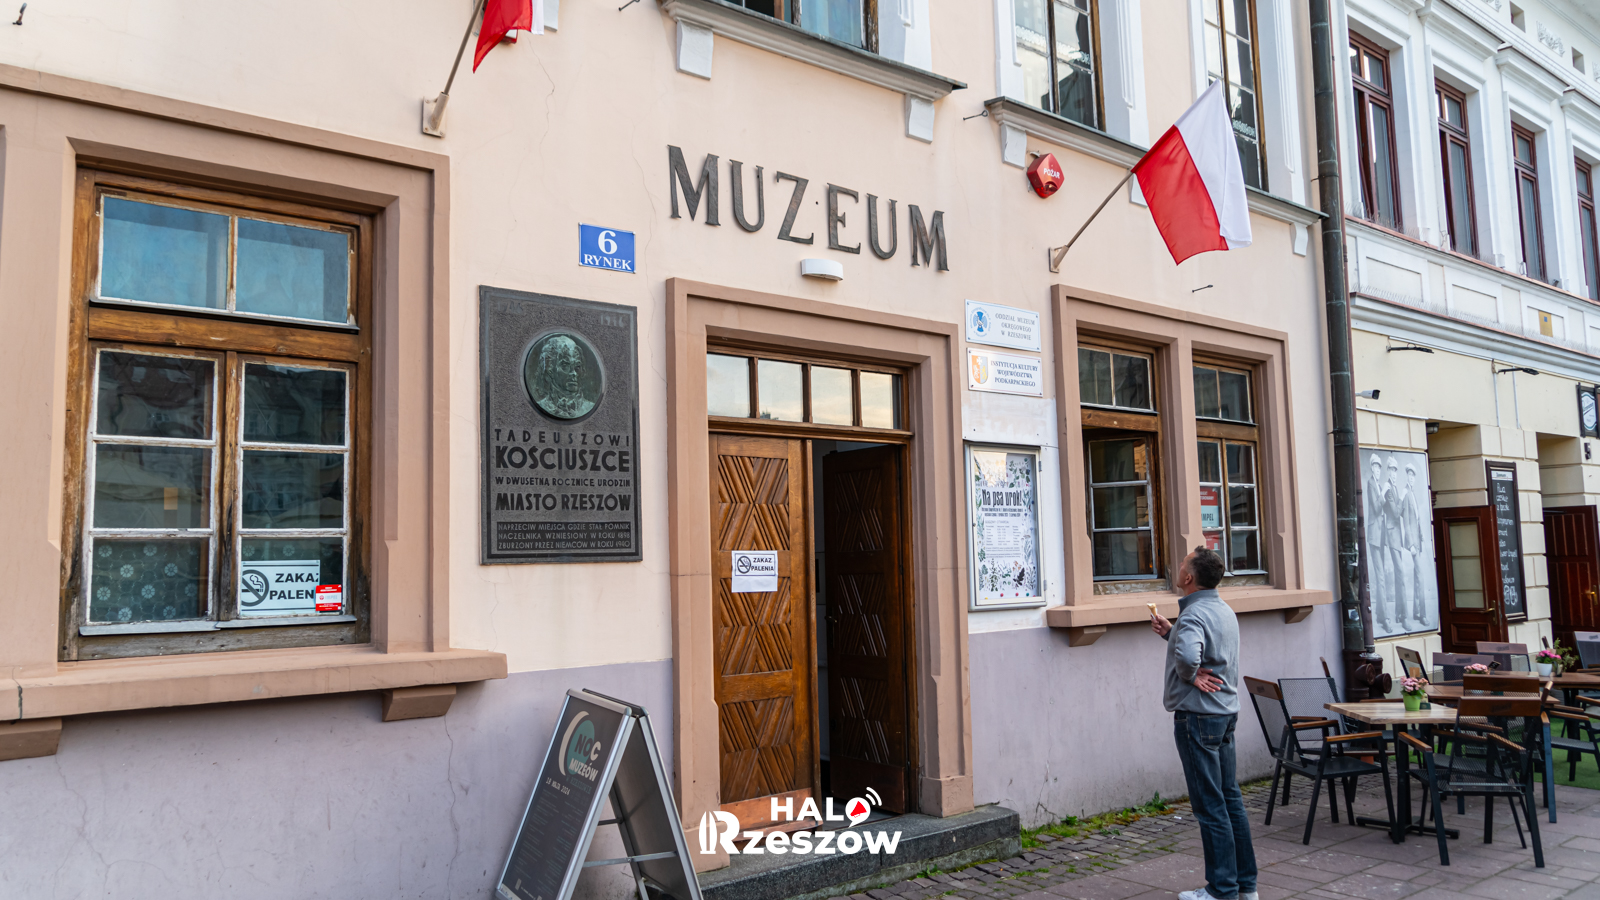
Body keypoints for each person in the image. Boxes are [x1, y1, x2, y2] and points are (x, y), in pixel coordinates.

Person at [1151, 547, 1257, 900]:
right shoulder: (1223, 610)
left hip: (1198, 718)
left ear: (1188, 577)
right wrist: (1172, 632)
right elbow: (1205, 646)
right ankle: (1246, 887)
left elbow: (1188, 657)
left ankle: (1221, 890)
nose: (1179, 566)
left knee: (1210, 806)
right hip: (1225, 714)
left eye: (1182, 563)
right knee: (1230, 799)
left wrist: (1191, 675)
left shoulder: (1194, 615)